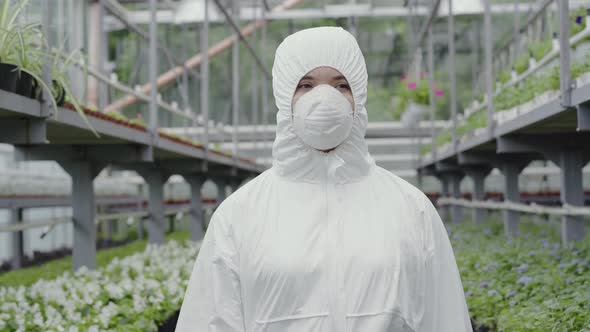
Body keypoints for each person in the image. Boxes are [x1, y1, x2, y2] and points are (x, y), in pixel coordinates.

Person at [175, 26, 473, 332]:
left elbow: (444, 317)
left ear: (358, 96)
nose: (325, 98)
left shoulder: (411, 209)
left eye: (341, 85)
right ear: (284, 97)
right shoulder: (239, 214)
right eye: (306, 85)